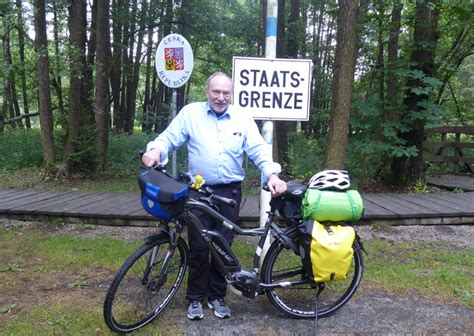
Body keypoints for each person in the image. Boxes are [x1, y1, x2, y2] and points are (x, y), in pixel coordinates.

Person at [142, 72, 287, 320]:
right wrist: (155, 150)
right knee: (199, 245)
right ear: (207, 91)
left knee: (223, 246)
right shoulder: (191, 113)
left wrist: (272, 175)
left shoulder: (242, 118)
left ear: (232, 94)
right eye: (216, 92)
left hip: (229, 192)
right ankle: (196, 298)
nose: (221, 97)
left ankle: (217, 296)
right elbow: (170, 137)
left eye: (226, 93)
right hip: (198, 191)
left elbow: (259, 150)